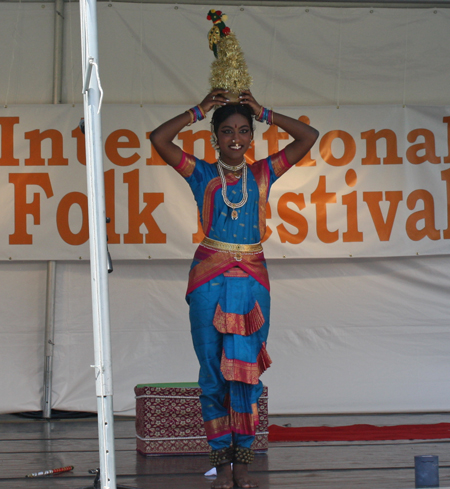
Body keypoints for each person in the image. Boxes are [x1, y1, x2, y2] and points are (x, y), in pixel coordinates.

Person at [150, 89, 319, 489]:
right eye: (227, 131)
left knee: (246, 375)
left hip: (254, 280)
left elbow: (308, 137)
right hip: (209, 278)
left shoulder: (263, 172)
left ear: (252, 136)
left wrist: (264, 111)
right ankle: (221, 466)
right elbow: (159, 139)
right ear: (215, 136)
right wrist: (198, 109)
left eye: (244, 130)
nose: (236, 138)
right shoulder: (201, 174)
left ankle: (242, 466)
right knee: (213, 374)